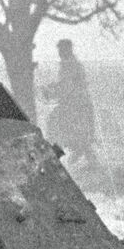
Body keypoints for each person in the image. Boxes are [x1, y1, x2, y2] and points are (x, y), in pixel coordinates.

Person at [40, 38, 96, 167]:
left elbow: (67, 86)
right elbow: (65, 84)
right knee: (76, 134)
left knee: (57, 130)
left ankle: (54, 159)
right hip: (76, 104)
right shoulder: (70, 64)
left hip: (75, 105)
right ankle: (88, 160)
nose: (59, 53)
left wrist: (51, 92)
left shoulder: (70, 66)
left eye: (61, 50)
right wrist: (53, 87)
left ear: (67, 49)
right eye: (59, 50)